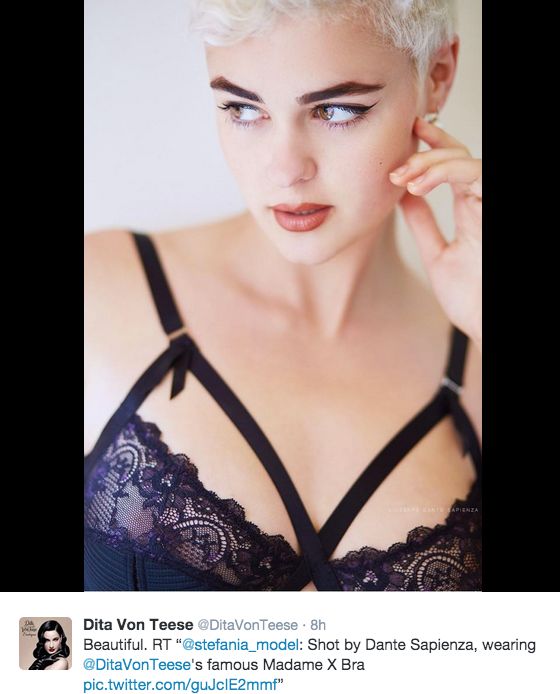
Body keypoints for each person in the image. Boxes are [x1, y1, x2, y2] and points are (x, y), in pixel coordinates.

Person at [84, 0, 481, 591]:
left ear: (438, 76)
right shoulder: (100, 294)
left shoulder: (476, 357)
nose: (285, 169)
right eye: (243, 108)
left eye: (337, 110)